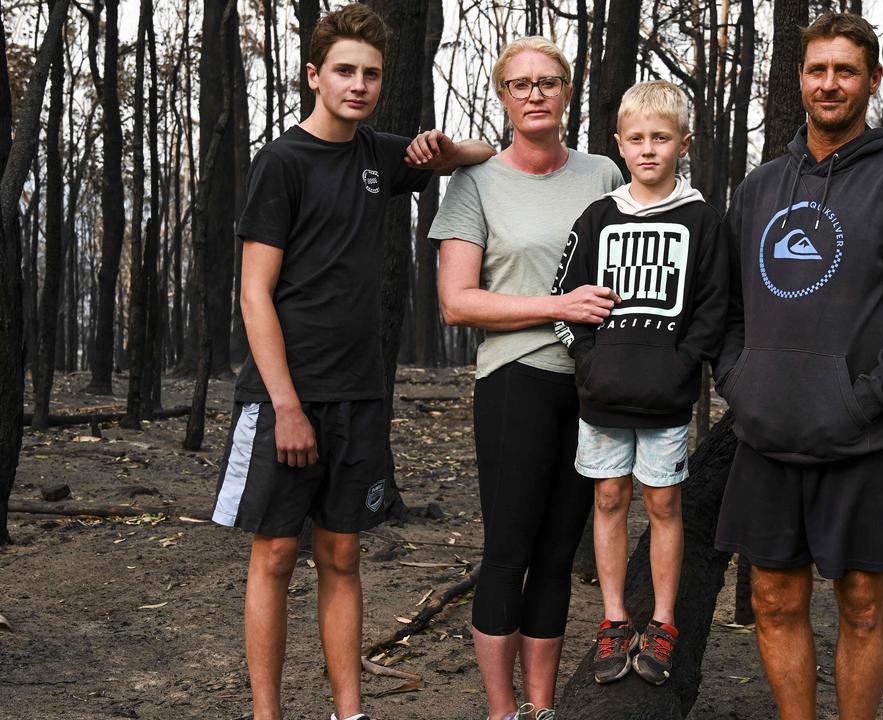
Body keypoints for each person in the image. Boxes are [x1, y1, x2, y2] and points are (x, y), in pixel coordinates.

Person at [209, 6, 494, 720]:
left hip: (359, 396)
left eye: (371, 74)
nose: (359, 85)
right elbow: (252, 293)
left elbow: (487, 152)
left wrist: (440, 147)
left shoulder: (379, 156)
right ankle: (266, 714)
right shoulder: (281, 163)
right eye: (344, 71)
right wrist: (286, 407)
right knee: (274, 558)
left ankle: (350, 712)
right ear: (314, 75)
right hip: (283, 397)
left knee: (342, 558)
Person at [713, 12, 883, 720]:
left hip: (861, 439)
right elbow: (725, 308)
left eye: (845, 71)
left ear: (872, 80)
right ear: (800, 80)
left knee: (861, 606)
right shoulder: (760, 188)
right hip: (765, 436)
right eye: (817, 70)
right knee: (772, 598)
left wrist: (866, 399)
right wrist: (741, 381)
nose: (830, 84)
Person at [429, 36, 624, 720]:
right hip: (515, 382)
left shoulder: (605, 173)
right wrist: (557, 305)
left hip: (592, 387)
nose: (535, 93)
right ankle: (500, 710)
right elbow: (457, 301)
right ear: (504, 97)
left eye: (548, 82)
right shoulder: (476, 182)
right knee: (508, 549)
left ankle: (540, 708)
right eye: (520, 84)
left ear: (568, 92)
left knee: (556, 554)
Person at [550, 80, 726, 686]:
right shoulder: (598, 217)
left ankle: (665, 621)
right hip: (602, 393)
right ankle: (614, 619)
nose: (648, 149)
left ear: (684, 143)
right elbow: (562, 302)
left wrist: (684, 366)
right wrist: (589, 361)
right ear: (619, 144)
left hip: (667, 396)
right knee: (607, 500)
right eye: (637, 139)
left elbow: (712, 309)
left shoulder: (703, 221)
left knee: (663, 503)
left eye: (661, 138)